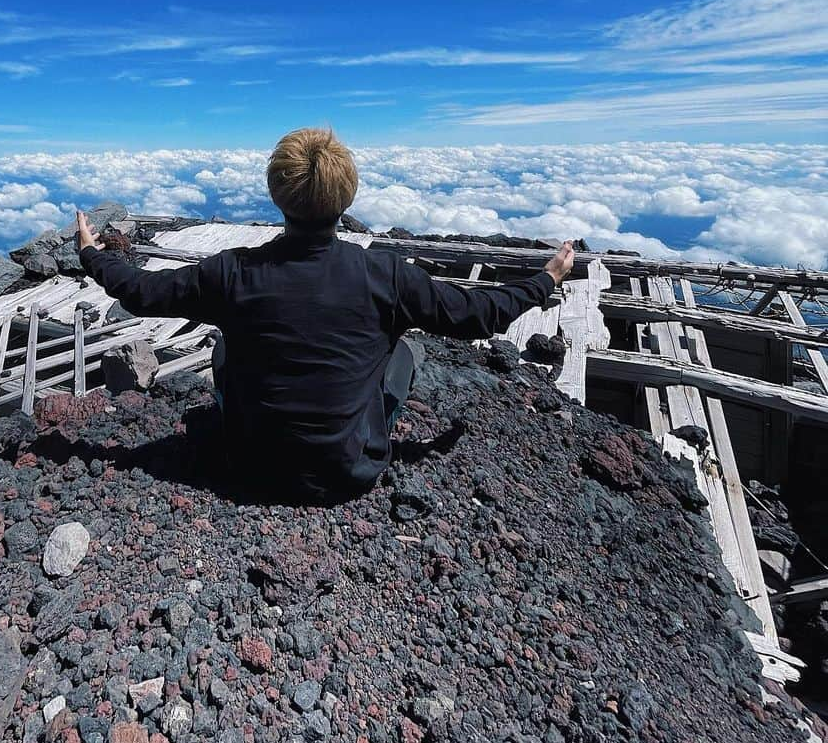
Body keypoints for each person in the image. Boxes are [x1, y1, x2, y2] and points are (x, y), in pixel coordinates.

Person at [76, 127, 574, 503]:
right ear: (347, 196)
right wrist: (546, 278)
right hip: (349, 474)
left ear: (278, 193)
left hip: (247, 466)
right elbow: (479, 314)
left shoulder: (233, 274)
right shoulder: (386, 277)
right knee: (401, 351)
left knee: (227, 345)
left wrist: (93, 253)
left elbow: (140, 292)